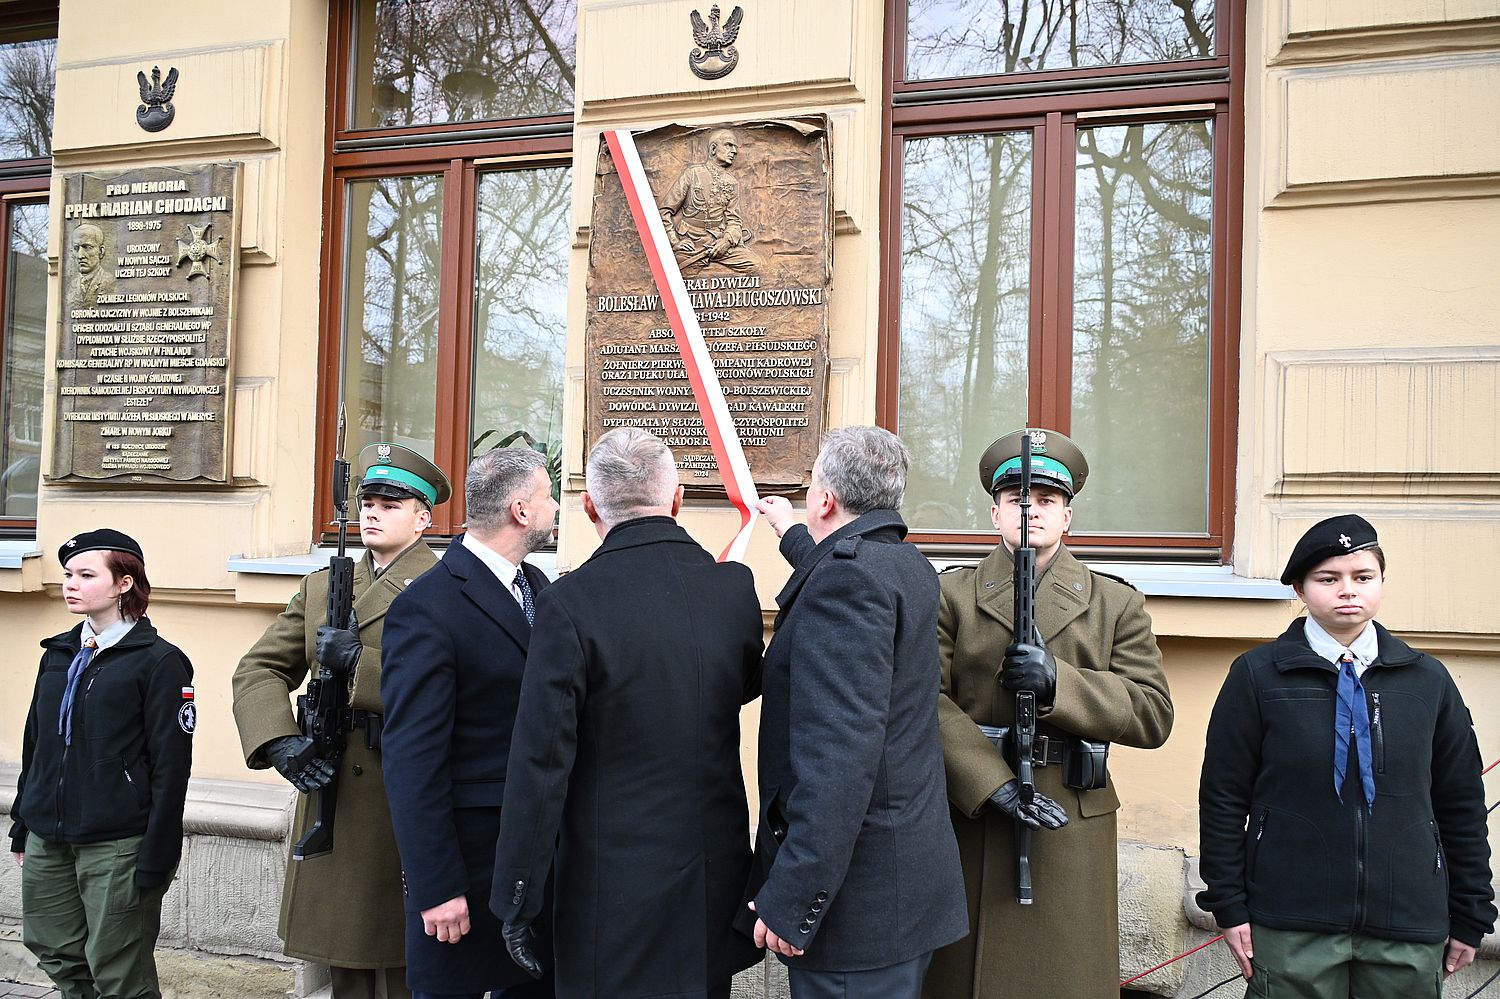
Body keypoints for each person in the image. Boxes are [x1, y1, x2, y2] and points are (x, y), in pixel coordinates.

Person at [491, 427, 764, 998]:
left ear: (591, 506)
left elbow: (541, 762)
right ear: (677, 499)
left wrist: (517, 897)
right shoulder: (733, 589)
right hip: (711, 881)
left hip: (610, 888)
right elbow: (739, 686)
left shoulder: (570, 602)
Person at [1198, 514, 1495, 997]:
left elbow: (1461, 802)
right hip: (1290, 921)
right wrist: (1228, 903)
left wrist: (1472, 911)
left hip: (1407, 922)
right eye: (1328, 579)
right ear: (1300, 588)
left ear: (1382, 582)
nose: (1348, 591)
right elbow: (1223, 797)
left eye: (1363, 577)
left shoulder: (1427, 681)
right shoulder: (1258, 676)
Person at [925, 428, 1174, 999]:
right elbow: (923, 701)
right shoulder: (950, 596)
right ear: (995, 513)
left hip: (1070, 814)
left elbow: (1153, 713)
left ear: (1067, 517)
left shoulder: (1114, 603)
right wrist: (991, 783)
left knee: (1063, 975)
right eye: (1017, 499)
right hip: (976, 808)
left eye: (1046, 500)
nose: (1030, 510)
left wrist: (1062, 682)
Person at [747, 426, 968, 998]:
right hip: (902, 888)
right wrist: (790, 531)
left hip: (858, 909)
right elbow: (841, 565)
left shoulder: (846, 583)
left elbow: (838, 761)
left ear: (825, 500)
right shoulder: (902, 563)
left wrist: (795, 895)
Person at [232, 443, 450, 999]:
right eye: (367, 502)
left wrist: (361, 663)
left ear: (423, 518)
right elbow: (259, 668)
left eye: (391, 505)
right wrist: (278, 741)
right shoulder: (323, 586)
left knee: (406, 961)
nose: (372, 513)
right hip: (332, 787)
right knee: (344, 957)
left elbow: (455, 682)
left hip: (401, 787)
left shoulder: (446, 586)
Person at [380, 447, 558, 999]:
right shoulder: (429, 605)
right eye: (549, 496)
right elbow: (412, 761)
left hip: (532, 867)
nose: (556, 508)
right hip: (467, 872)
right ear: (520, 511)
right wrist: (435, 887)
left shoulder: (538, 586)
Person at [10, 529, 193, 999]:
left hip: (117, 841)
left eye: (86, 575)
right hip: (48, 833)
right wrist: (22, 822)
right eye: (68, 574)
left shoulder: (159, 662)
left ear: (124, 583)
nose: (70, 584)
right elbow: (37, 742)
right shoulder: (59, 652)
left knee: (118, 968)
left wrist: (159, 849)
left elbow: (171, 766)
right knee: (52, 947)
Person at [658, 128, 756, 272]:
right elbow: (664, 211)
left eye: (735, 147)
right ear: (713, 148)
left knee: (753, 264)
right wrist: (674, 241)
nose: (734, 151)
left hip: (717, 242)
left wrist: (726, 241)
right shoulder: (692, 174)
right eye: (729, 145)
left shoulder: (732, 183)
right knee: (678, 272)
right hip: (691, 242)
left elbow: (734, 220)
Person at [68, 223, 113, 309]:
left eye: (87, 247)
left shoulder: (111, 283)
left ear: (101, 251)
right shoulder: (69, 287)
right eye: (76, 248)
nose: (80, 255)